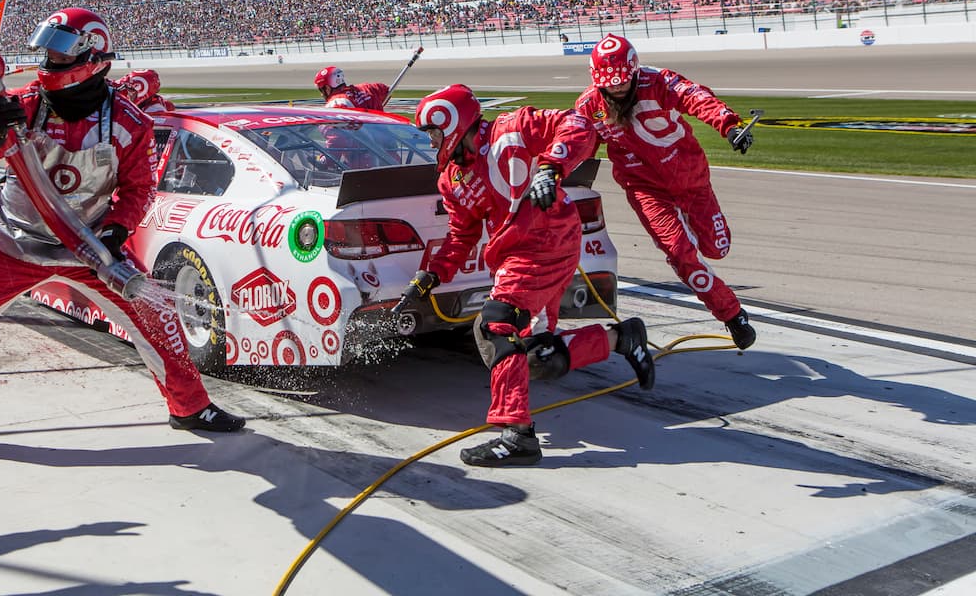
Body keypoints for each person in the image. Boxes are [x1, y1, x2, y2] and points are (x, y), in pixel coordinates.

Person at [0, 7, 245, 440]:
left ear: (95, 57)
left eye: (61, 51)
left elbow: (138, 188)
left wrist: (116, 232)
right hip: (14, 239)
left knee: (157, 321)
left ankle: (191, 408)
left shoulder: (130, 122)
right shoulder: (21, 103)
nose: (49, 61)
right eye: (47, 49)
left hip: (90, 246)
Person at [400, 84, 656, 467]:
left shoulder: (511, 128)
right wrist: (430, 276)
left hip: (545, 241)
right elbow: (461, 234)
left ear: (452, 122)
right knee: (538, 358)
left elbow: (578, 126)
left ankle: (516, 435)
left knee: (494, 326)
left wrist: (552, 168)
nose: (432, 142)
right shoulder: (451, 179)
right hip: (521, 252)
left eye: (434, 133)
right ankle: (621, 338)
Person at [573, 33, 757, 350]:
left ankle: (694, 230)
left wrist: (730, 125)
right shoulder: (589, 106)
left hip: (689, 177)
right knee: (678, 252)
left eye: (622, 81)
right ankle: (732, 314)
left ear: (634, 72)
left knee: (717, 249)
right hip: (643, 187)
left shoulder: (660, 82)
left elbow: (698, 98)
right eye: (609, 83)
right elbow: (572, 141)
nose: (616, 89)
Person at [314, 65, 390, 111]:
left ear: (327, 88)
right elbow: (386, 91)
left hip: (361, 137)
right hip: (384, 133)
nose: (321, 94)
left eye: (321, 90)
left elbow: (330, 132)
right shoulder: (368, 87)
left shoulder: (336, 103)